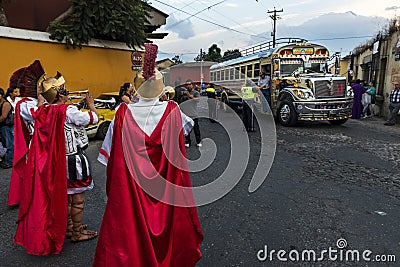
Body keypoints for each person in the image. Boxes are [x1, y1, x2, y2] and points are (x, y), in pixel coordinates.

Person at [94, 43, 203, 266]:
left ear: (136, 87)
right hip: (164, 187)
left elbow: (108, 157)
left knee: (130, 231)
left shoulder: (121, 114)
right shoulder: (173, 110)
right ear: (161, 86)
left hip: (131, 188)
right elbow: (188, 128)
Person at [14, 71, 99, 256]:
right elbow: (92, 119)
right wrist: (92, 107)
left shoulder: (39, 111)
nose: (67, 93)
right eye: (64, 90)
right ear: (60, 94)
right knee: (77, 199)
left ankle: (68, 227)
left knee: (65, 196)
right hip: (72, 160)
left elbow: (23, 108)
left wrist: (42, 99)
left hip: (55, 164)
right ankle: (76, 232)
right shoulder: (68, 111)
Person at [180, 79, 202, 147]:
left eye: (189, 84)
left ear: (192, 85)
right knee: (187, 129)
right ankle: (187, 141)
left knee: (196, 129)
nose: (188, 86)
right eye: (186, 85)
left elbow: (197, 100)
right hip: (186, 114)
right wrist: (182, 95)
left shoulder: (195, 93)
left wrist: (189, 95)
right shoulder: (184, 92)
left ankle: (198, 141)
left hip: (194, 114)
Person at [0, 88, 14, 168]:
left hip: (6, 127)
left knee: (9, 145)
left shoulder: (6, 104)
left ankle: (9, 162)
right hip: (2, 126)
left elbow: (3, 117)